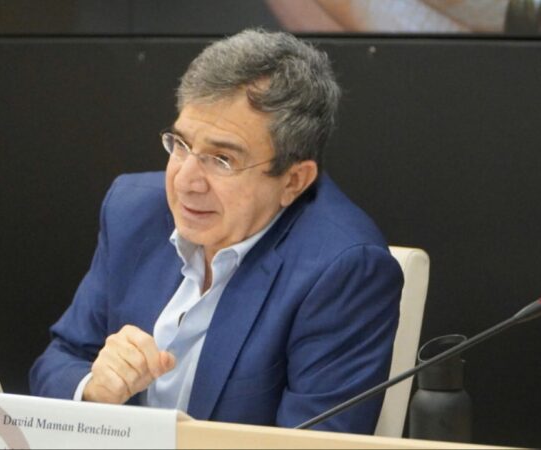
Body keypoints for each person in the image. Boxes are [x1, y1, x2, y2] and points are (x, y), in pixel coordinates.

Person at [30, 28, 403, 434]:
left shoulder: (344, 271)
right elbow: (60, 359)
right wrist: (92, 391)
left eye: (222, 159)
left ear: (293, 180)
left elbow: (315, 443)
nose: (185, 181)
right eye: (181, 145)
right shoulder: (133, 212)